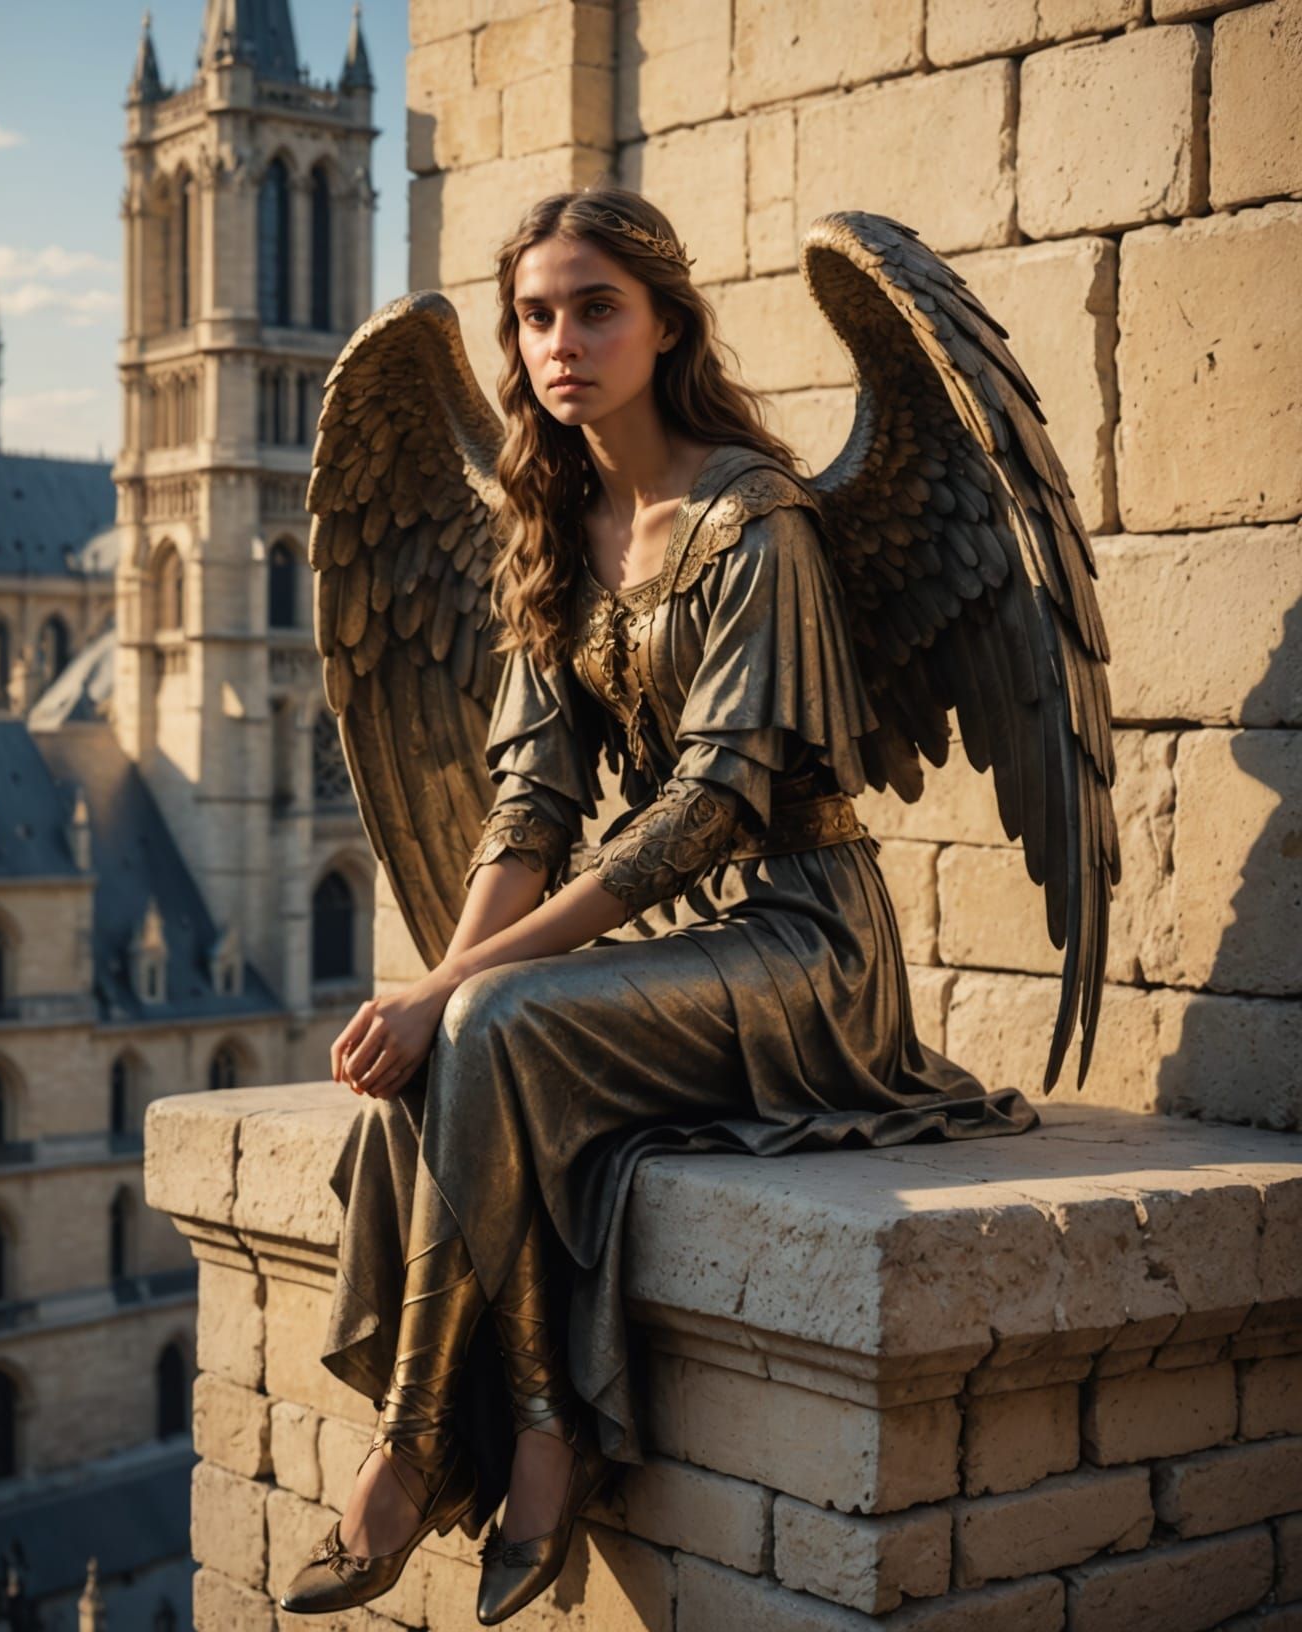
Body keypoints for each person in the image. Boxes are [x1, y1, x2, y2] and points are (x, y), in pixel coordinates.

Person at [279, 185, 1041, 1622]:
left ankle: (411, 1456)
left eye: (596, 307)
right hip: (685, 946)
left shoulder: (758, 520)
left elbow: (702, 817)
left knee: (484, 1023)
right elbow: (531, 811)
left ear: (668, 320)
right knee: (450, 1041)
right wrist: (427, 995)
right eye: (537, 315)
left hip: (805, 945)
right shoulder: (555, 534)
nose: (562, 341)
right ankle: (548, 1431)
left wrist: (456, 993)